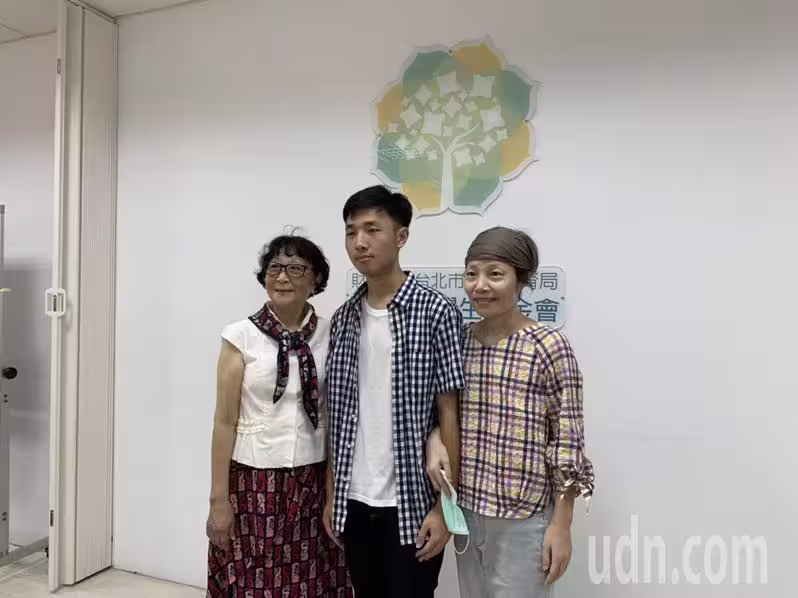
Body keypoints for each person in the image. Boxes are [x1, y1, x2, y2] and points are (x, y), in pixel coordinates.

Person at [430, 226, 595, 598]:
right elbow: (442, 412)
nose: (480, 286)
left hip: (524, 518)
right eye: (471, 274)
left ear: (521, 280)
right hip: (466, 511)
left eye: (495, 274)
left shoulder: (549, 346)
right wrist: (435, 440)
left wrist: (561, 526)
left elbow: (567, 442)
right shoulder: (460, 341)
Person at [323, 185, 464, 598]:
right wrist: (332, 495)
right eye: (351, 232)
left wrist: (445, 509)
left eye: (372, 229)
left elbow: (449, 411)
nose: (359, 242)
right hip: (353, 500)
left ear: (401, 236)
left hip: (413, 502)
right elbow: (338, 417)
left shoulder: (435, 311)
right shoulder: (345, 317)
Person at [205, 234, 352, 597]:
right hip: (254, 482)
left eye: (296, 268)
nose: (283, 277)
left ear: (316, 279)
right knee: (255, 579)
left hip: (314, 480)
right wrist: (218, 501)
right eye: (275, 268)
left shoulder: (332, 333)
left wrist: (335, 489)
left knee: (312, 577)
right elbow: (224, 422)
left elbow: (338, 414)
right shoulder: (240, 336)